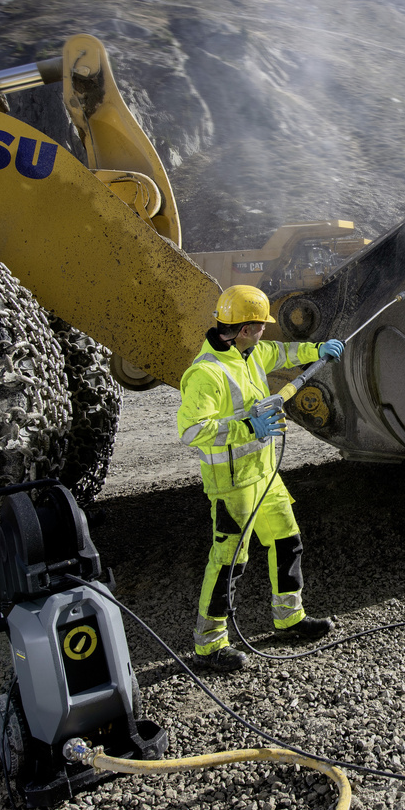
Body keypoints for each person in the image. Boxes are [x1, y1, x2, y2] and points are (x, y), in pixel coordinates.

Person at [176, 284, 345, 672]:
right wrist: (248, 428)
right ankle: (210, 644)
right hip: (232, 482)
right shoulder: (206, 373)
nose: (266, 331)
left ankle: (289, 619)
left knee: (288, 541)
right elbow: (190, 431)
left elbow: (284, 352)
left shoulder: (250, 354)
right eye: (260, 325)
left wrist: (318, 350)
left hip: (265, 475)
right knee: (229, 561)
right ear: (244, 327)